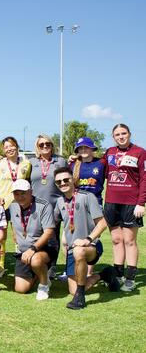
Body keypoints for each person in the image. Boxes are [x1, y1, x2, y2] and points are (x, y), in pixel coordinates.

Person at [52, 167, 121, 309]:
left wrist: (87, 240)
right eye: (59, 182)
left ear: (73, 179)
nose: (63, 183)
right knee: (72, 290)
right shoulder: (59, 202)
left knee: (79, 252)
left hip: (91, 246)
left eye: (66, 179)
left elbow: (102, 223)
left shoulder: (87, 196)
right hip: (72, 250)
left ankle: (80, 298)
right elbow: (54, 222)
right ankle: (104, 275)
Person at [102, 123, 146, 292]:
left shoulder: (140, 152)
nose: (121, 136)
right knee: (116, 240)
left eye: (124, 133)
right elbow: (100, 167)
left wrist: (141, 203)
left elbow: (144, 179)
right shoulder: (110, 152)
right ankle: (118, 275)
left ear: (129, 134)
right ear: (113, 137)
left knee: (129, 240)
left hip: (131, 204)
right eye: (117, 134)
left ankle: (130, 278)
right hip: (112, 202)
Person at [7, 179, 56, 300]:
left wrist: (33, 249)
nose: (20, 197)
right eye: (16, 194)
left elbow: (49, 232)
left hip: (44, 248)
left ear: (31, 192)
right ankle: (39, 273)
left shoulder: (44, 205)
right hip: (23, 251)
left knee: (36, 260)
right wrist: (15, 236)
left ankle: (44, 284)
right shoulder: (12, 205)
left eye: (23, 193)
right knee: (21, 289)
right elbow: (12, 222)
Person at [29, 134, 67, 277]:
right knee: (35, 236)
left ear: (52, 145)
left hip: (54, 206)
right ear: (37, 147)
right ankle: (36, 265)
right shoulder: (31, 162)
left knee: (52, 238)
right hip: (35, 207)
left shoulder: (60, 161)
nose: (45, 146)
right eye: (41, 145)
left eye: (48, 144)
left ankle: (51, 268)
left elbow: (69, 180)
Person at [0, 136, 31, 271]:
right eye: (6, 147)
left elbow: (28, 183)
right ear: (3, 150)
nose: (9, 149)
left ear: (17, 146)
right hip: (2, 204)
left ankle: (22, 263)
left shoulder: (26, 164)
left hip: (19, 204)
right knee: (1, 235)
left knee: (19, 234)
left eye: (12, 145)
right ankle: (0, 265)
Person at [70, 137, 105, 204]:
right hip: (78, 203)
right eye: (80, 148)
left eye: (86, 147)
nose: (83, 150)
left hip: (96, 203)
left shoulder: (101, 162)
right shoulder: (72, 164)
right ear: (78, 150)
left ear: (92, 148)